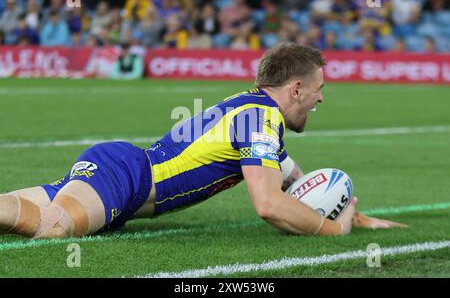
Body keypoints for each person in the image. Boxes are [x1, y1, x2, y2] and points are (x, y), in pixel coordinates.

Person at [0, 43, 406, 239]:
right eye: (319, 89)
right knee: (54, 228)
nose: (321, 98)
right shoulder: (259, 119)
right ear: (296, 88)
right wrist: (333, 232)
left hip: (122, 174)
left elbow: (291, 180)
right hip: (125, 177)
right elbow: (268, 205)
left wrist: (352, 212)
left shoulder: (251, 110)